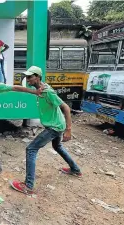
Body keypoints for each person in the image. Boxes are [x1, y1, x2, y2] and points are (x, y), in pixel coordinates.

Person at [9, 66, 82, 195]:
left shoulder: (47, 92)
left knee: (31, 149)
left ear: (37, 77)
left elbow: (66, 107)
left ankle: (28, 185)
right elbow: (18, 88)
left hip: (54, 127)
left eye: (30, 77)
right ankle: (75, 169)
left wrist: (69, 130)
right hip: (57, 124)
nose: (27, 79)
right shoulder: (40, 89)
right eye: (27, 77)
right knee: (57, 146)